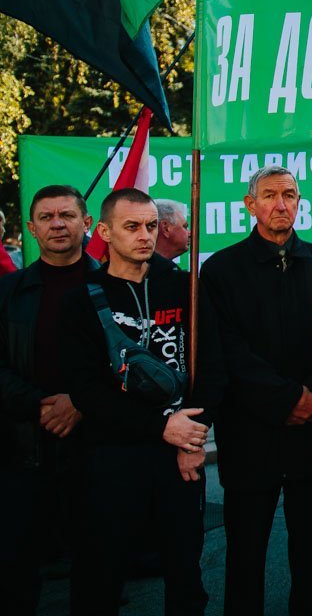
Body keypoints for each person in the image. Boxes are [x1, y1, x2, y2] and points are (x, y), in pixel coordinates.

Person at [61, 188, 219, 615]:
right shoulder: (81, 299)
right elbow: (85, 389)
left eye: (150, 226)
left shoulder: (185, 287)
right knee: (100, 577)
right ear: (104, 232)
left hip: (179, 457)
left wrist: (193, 439)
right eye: (132, 227)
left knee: (185, 576)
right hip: (111, 457)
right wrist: (161, 427)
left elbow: (211, 367)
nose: (145, 235)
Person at [200, 165, 312, 616]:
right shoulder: (220, 270)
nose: (281, 204)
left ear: (300, 202)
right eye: (269, 195)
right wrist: (283, 399)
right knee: (245, 551)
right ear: (250, 204)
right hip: (249, 428)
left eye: (289, 195)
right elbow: (224, 347)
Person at [0, 185, 97, 614]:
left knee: (96, 568)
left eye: (67, 215)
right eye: (47, 217)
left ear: (87, 223)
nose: (58, 224)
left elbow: (134, 361)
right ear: (32, 228)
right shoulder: (8, 292)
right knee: (16, 569)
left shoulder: (115, 286)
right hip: (23, 445)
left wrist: (80, 401)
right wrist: (37, 404)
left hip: (97, 446)